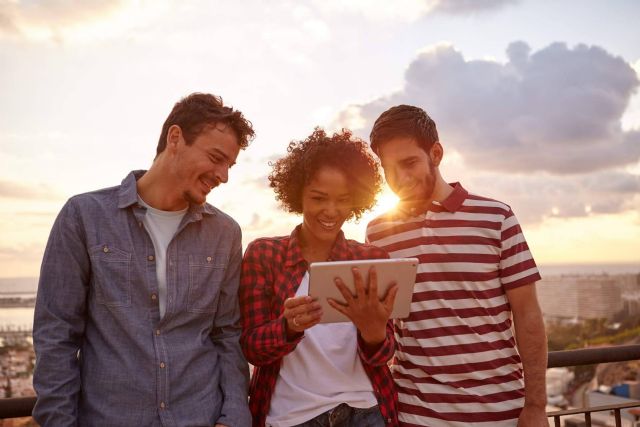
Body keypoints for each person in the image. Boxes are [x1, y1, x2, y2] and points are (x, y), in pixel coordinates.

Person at [32, 93, 254, 426]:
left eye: (229, 165)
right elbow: (56, 337)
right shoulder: (83, 217)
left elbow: (227, 334)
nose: (223, 175)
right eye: (215, 158)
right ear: (175, 138)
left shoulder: (225, 233)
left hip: (200, 417)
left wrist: (234, 417)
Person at [365, 105, 548, 426]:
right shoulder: (378, 232)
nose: (400, 179)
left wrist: (536, 406)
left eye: (409, 163)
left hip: (500, 412)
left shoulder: (496, 218)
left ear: (436, 153)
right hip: (415, 415)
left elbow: (528, 314)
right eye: (389, 169)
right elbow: (385, 324)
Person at [239, 128, 399, 427]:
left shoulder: (371, 259)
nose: (331, 210)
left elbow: (384, 354)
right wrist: (287, 327)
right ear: (298, 194)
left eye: (343, 200)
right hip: (292, 418)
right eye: (318, 198)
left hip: (366, 413)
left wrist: (373, 330)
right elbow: (251, 348)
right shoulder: (264, 254)